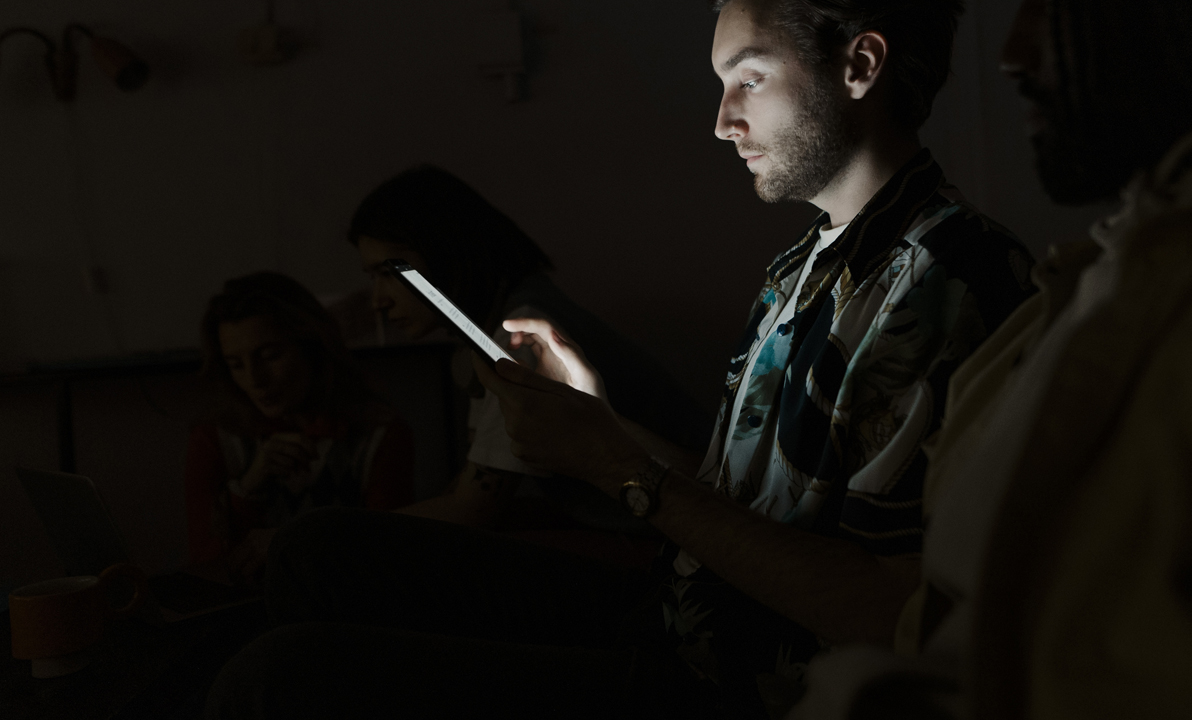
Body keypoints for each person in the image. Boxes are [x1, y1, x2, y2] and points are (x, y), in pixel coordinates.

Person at [205, 1, 1034, 717]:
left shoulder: (948, 284)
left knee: (276, 679)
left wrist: (616, 468)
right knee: (316, 550)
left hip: (739, 685)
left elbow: (890, 610)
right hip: (680, 613)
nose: (721, 120)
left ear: (860, 65)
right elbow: (721, 506)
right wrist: (600, 424)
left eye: (747, 78)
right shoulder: (800, 270)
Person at [786, 0, 1192, 718]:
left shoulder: (957, 272)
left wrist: (630, 476)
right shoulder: (1096, 272)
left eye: (1053, 10)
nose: (1012, 53)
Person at [350, 164, 710, 554]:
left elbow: (473, 510)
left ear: (447, 249)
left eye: (391, 272)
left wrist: (339, 537)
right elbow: (470, 494)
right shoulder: (494, 326)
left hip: (682, 542)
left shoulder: (519, 333)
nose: (379, 300)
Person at [184, 272, 415, 584]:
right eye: (236, 365)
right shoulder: (215, 440)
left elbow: (392, 554)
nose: (255, 380)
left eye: (270, 356)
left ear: (311, 347)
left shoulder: (378, 435)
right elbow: (206, 564)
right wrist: (247, 489)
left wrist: (303, 542)